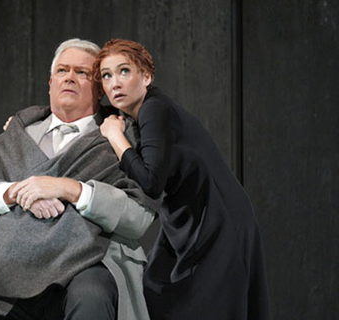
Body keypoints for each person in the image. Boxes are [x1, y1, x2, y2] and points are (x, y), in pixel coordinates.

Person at [0, 38, 159, 320]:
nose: (70, 77)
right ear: (50, 83)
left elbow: (139, 215)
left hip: (83, 262)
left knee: (92, 295)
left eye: (82, 73)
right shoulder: (19, 132)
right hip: (4, 260)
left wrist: (72, 190)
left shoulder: (119, 136)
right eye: (62, 70)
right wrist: (16, 192)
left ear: (100, 89)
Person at [94, 39, 270, 319]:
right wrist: (28, 119)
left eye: (124, 71)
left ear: (146, 76)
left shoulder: (154, 109)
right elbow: (90, 115)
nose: (115, 83)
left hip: (217, 221)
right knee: (156, 291)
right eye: (106, 75)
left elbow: (151, 183)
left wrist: (116, 138)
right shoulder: (140, 110)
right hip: (191, 222)